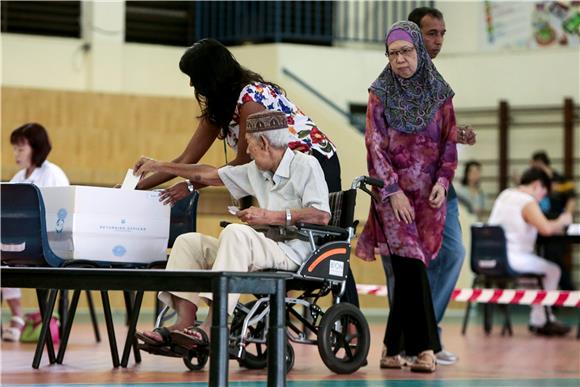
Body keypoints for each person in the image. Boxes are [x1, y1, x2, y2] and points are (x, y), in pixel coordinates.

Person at [133, 38, 361, 308]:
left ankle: (347, 310)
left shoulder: (251, 98)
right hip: (270, 168)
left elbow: (243, 164)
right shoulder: (219, 108)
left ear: (211, 74)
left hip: (312, 158)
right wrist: (130, 189)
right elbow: (186, 159)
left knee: (325, 238)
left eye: (194, 77)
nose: (192, 85)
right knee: (270, 235)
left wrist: (191, 185)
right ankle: (274, 309)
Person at [134, 110, 330, 346]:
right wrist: (159, 165)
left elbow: (321, 215)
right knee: (188, 242)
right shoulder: (256, 170)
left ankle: (213, 326)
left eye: (249, 144)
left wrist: (269, 215)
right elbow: (206, 175)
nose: (246, 152)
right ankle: (184, 322)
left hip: (293, 252)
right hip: (265, 246)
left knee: (236, 233)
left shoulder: (307, 165)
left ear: (264, 143)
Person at [355, 21, 458, 373]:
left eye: (406, 51)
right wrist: (392, 190)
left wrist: (444, 182)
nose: (400, 59)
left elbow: (449, 142)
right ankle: (425, 347)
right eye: (393, 53)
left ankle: (390, 348)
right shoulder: (379, 92)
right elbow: (374, 146)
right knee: (411, 265)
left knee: (409, 268)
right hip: (392, 196)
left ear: (418, 50)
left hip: (429, 198)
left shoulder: (441, 93)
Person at [402, 6, 476, 366]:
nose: (439, 41)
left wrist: (456, 134)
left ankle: (426, 332)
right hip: (408, 189)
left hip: (441, 185)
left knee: (453, 253)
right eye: (433, 33)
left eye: (443, 34)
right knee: (411, 264)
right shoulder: (396, 79)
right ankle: (417, 339)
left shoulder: (438, 81)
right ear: (413, 35)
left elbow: (439, 134)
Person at [3, 123, 69, 342]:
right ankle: (16, 315)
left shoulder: (54, 174)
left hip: (48, 244)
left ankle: (17, 316)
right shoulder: (19, 177)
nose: (16, 154)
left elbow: (62, 217)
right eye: (15, 149)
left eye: (21, 149)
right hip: (18, 243)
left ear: (36, 148)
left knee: (4, 253)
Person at [488, 167, 572, 336]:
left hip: (491, 257)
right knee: (553, 270)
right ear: (536, 185)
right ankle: (541, 320)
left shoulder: (505, 194)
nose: (542, 199)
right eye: (543, 193)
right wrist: (563, 220)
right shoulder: (526, 200)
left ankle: (541, 318)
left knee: (534, 279)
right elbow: (546, 229)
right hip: (513, 258)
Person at [531, 150, 576, 290]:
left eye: (534, 165)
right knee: (544, 258)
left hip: (557, 223)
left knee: (555, 257)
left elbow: (572, 199)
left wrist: (567, 217)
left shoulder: (561, 179)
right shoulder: (535, 180)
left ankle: (568, 290)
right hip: (540, 223)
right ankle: (550, 296)